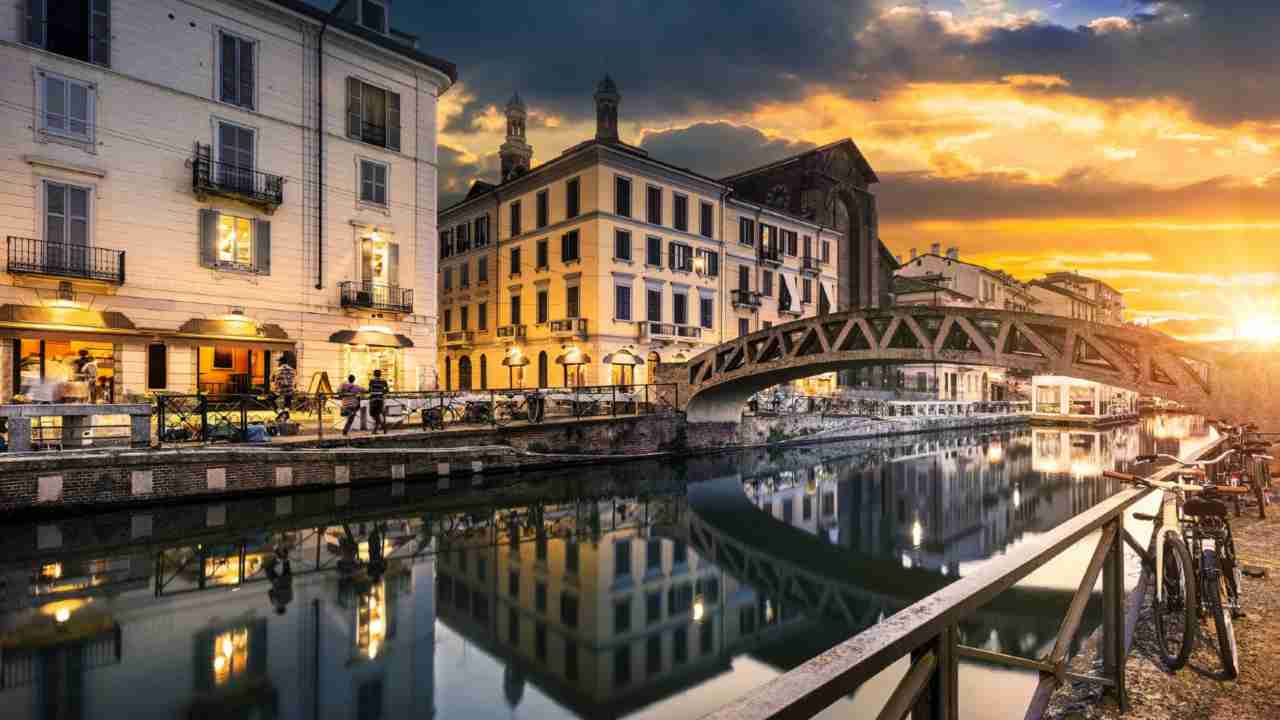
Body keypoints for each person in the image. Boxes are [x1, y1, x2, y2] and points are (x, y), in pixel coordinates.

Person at [263, 545, 293, 615]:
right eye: (276, 609)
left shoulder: (290, 599)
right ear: (278, 608)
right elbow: (270, 592)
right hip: (277, 582)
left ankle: (284, 551)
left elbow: (290, 589)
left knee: (286, 564)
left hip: (288, 580)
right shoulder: (275, 602)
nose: (275, 607)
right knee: (268, 568)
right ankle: (278, 558)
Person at [271, 354, 297, 422]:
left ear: (281, 362)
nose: (278, 363)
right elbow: (294, 380)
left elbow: (273, 380)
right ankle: (286, 416)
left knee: (270, 399)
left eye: (278, 361)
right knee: (287, 401)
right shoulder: (292, 370)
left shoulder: (278, 370)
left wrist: (275, 388)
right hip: (290, 391)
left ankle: (280, 413)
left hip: (280, 390)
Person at [368, 369, 389, 434]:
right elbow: (387, 390)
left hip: (373, 400)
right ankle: (383, 428)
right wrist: (381, 392)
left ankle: (378, 429)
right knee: (378, 414)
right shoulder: (384, 381)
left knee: (372, 414)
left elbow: (369, 390)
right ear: (380, 374)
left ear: (374, 374)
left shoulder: (371, 381)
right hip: (380, 400)